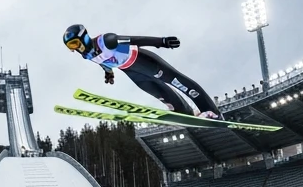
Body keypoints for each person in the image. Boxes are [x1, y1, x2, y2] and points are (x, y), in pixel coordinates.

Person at [63, 24, 222, 118]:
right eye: (71, 46)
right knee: (160, 94)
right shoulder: (87, 56)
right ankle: (186, 113)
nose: (75, 48)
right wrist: (109, 74)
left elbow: (135, 40)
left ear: (83, 37)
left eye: (75, 43)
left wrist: (161, 42)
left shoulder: (106, 40)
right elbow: (103, 62)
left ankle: (212, 112)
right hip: (132, 72)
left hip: (144, 61)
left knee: (179, 82)